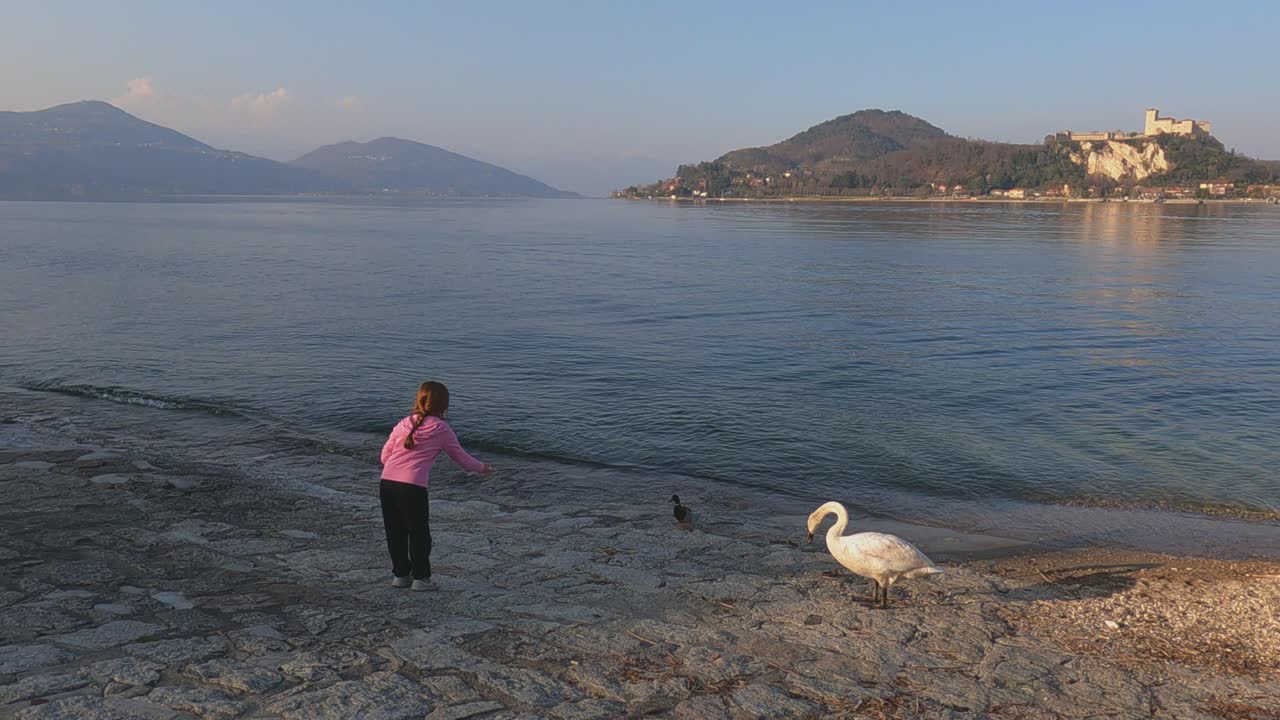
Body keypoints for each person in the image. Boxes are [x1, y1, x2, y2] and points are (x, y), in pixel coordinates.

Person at [379, 381, 492, 591]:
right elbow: (462, 459)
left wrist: (400, 465)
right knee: (419, 533)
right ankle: (421, 579)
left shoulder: (404, 423)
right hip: (412, 487)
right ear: (444, 405)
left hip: (387, 483)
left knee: (395, 531)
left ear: (419, 399)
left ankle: (400, 575)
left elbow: (385, 456)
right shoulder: (441, 429)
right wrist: (483, 468)